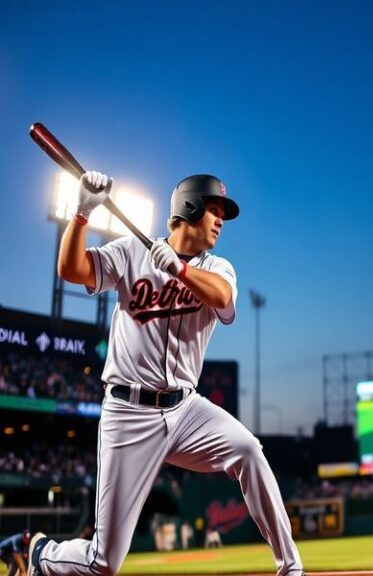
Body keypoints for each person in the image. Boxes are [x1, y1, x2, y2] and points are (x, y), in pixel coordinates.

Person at [28, 172, 303, 576]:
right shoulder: (129, 254)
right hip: (128, 413)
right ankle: (42, 555)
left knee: (248, 450)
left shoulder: (218, 268)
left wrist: (179, 270)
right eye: (214, 209)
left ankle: (291, 567)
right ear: (189, 207)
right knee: (103, 563)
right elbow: (71, 269)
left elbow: (223, 298)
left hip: (185, 410)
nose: (221, 220)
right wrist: (83, 213)